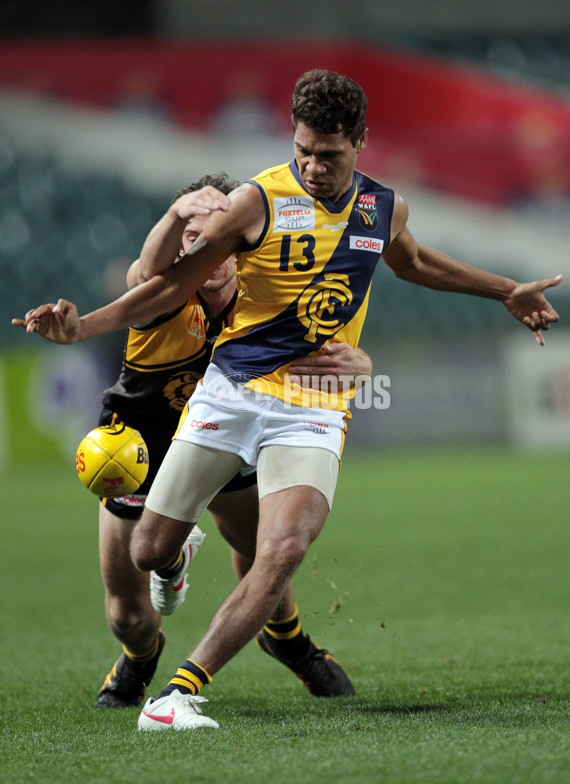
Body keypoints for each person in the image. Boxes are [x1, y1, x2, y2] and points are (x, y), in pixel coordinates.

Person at [14, 69, 562, 732]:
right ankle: (181, 559)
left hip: (314, 405)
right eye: (303, 150)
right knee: (149, 551)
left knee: (282, 550)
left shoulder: (381, 209)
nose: (312, 165)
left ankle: (179, 694)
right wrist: (83, 328)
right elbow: (169, 285)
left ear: (359, 142)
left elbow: (414, 264)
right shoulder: (257, 200)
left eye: (328, 155)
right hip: (233, 389)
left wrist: (506, 289)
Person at [94, 172, 371, 708]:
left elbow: (332, 355)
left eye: (220, 239)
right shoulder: (162, 293)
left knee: (263, 550)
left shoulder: (267, 293)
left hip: (228, 437)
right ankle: (140, 655)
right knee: (128, 611)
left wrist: (363, 366)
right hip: (143, 451)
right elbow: (143, 272)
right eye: (196, 240)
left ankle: (287, 638)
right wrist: (177, 217)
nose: (211, 254)